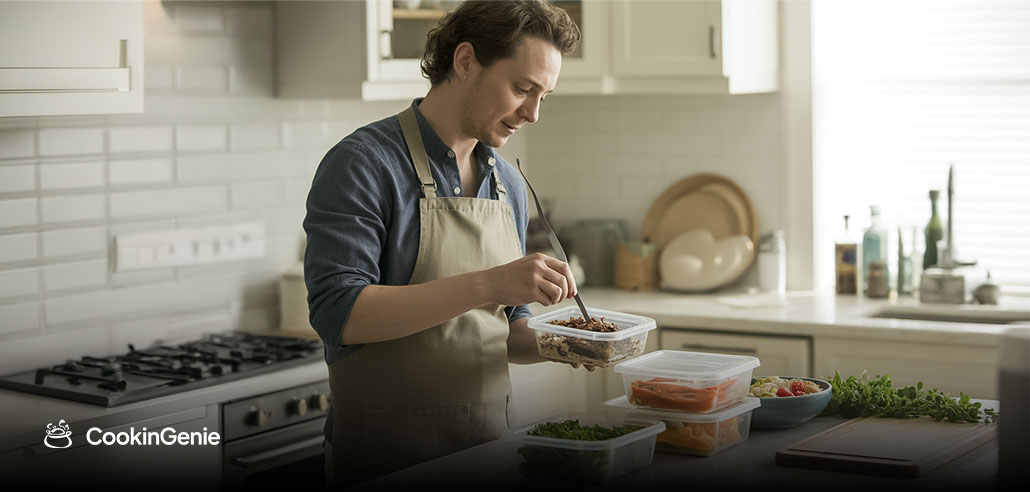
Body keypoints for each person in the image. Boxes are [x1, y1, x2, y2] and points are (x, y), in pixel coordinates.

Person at [302, 0, 582, 486]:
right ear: (466, 61)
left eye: (545, 96)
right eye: (522, 88)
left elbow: (507, 331)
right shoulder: (363, 164)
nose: (534, 114)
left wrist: (573, 343)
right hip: (383, 462)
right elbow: (339, 315)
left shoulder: (507, 184)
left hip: (491, 453)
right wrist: (489, 283)